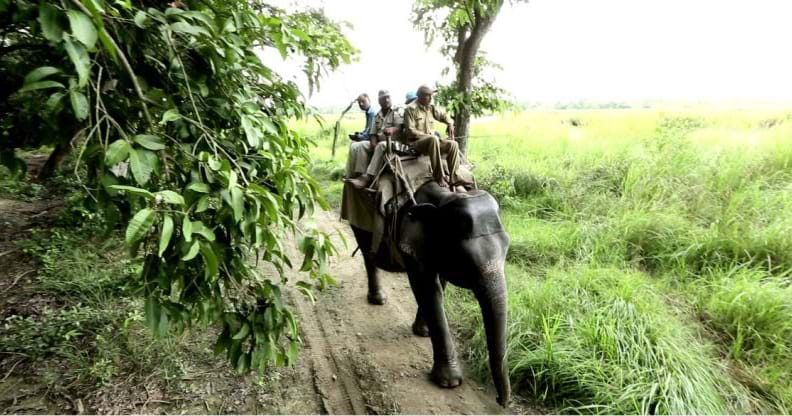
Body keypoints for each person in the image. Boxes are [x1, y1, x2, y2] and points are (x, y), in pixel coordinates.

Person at [403, 85, 471, 191]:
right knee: (433, 139)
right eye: (427, 96)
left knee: (453, 144)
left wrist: (450, 123)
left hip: (431, 142)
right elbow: (411, 131)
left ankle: (455, 177)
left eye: (431, 96)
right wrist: (429, 136)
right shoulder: (410, 109)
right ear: (420, 96)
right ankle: (438, 176)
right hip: (416, 143)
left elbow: (444, 115)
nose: (430, 98)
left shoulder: (431, 107)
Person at [347, 90, 404, 189]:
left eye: (388, 97)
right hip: (382, 142)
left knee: (381, 145)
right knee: (362, 145)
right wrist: (373, 142)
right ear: (379, 101)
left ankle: (368, 177)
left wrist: (392, 129)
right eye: (383, 98)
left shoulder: (397, 110)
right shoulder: (377, 115)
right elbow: (373, 133)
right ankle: (360, 174)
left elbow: (400, 127)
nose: (386, 100)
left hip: (397, 143)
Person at [345, 93, 378, 178]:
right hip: (371, 136)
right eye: (359, 102)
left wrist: (359, 137)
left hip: (375, 138)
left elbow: (371, 132)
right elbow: (367, 129)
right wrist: (359, 134)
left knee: (357, 145)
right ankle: (350, 172)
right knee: (353, 144)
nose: (361, 104)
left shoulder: (372, 112)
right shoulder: (368, 112)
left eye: (363, 101)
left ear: (369, 100)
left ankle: (358, 173)